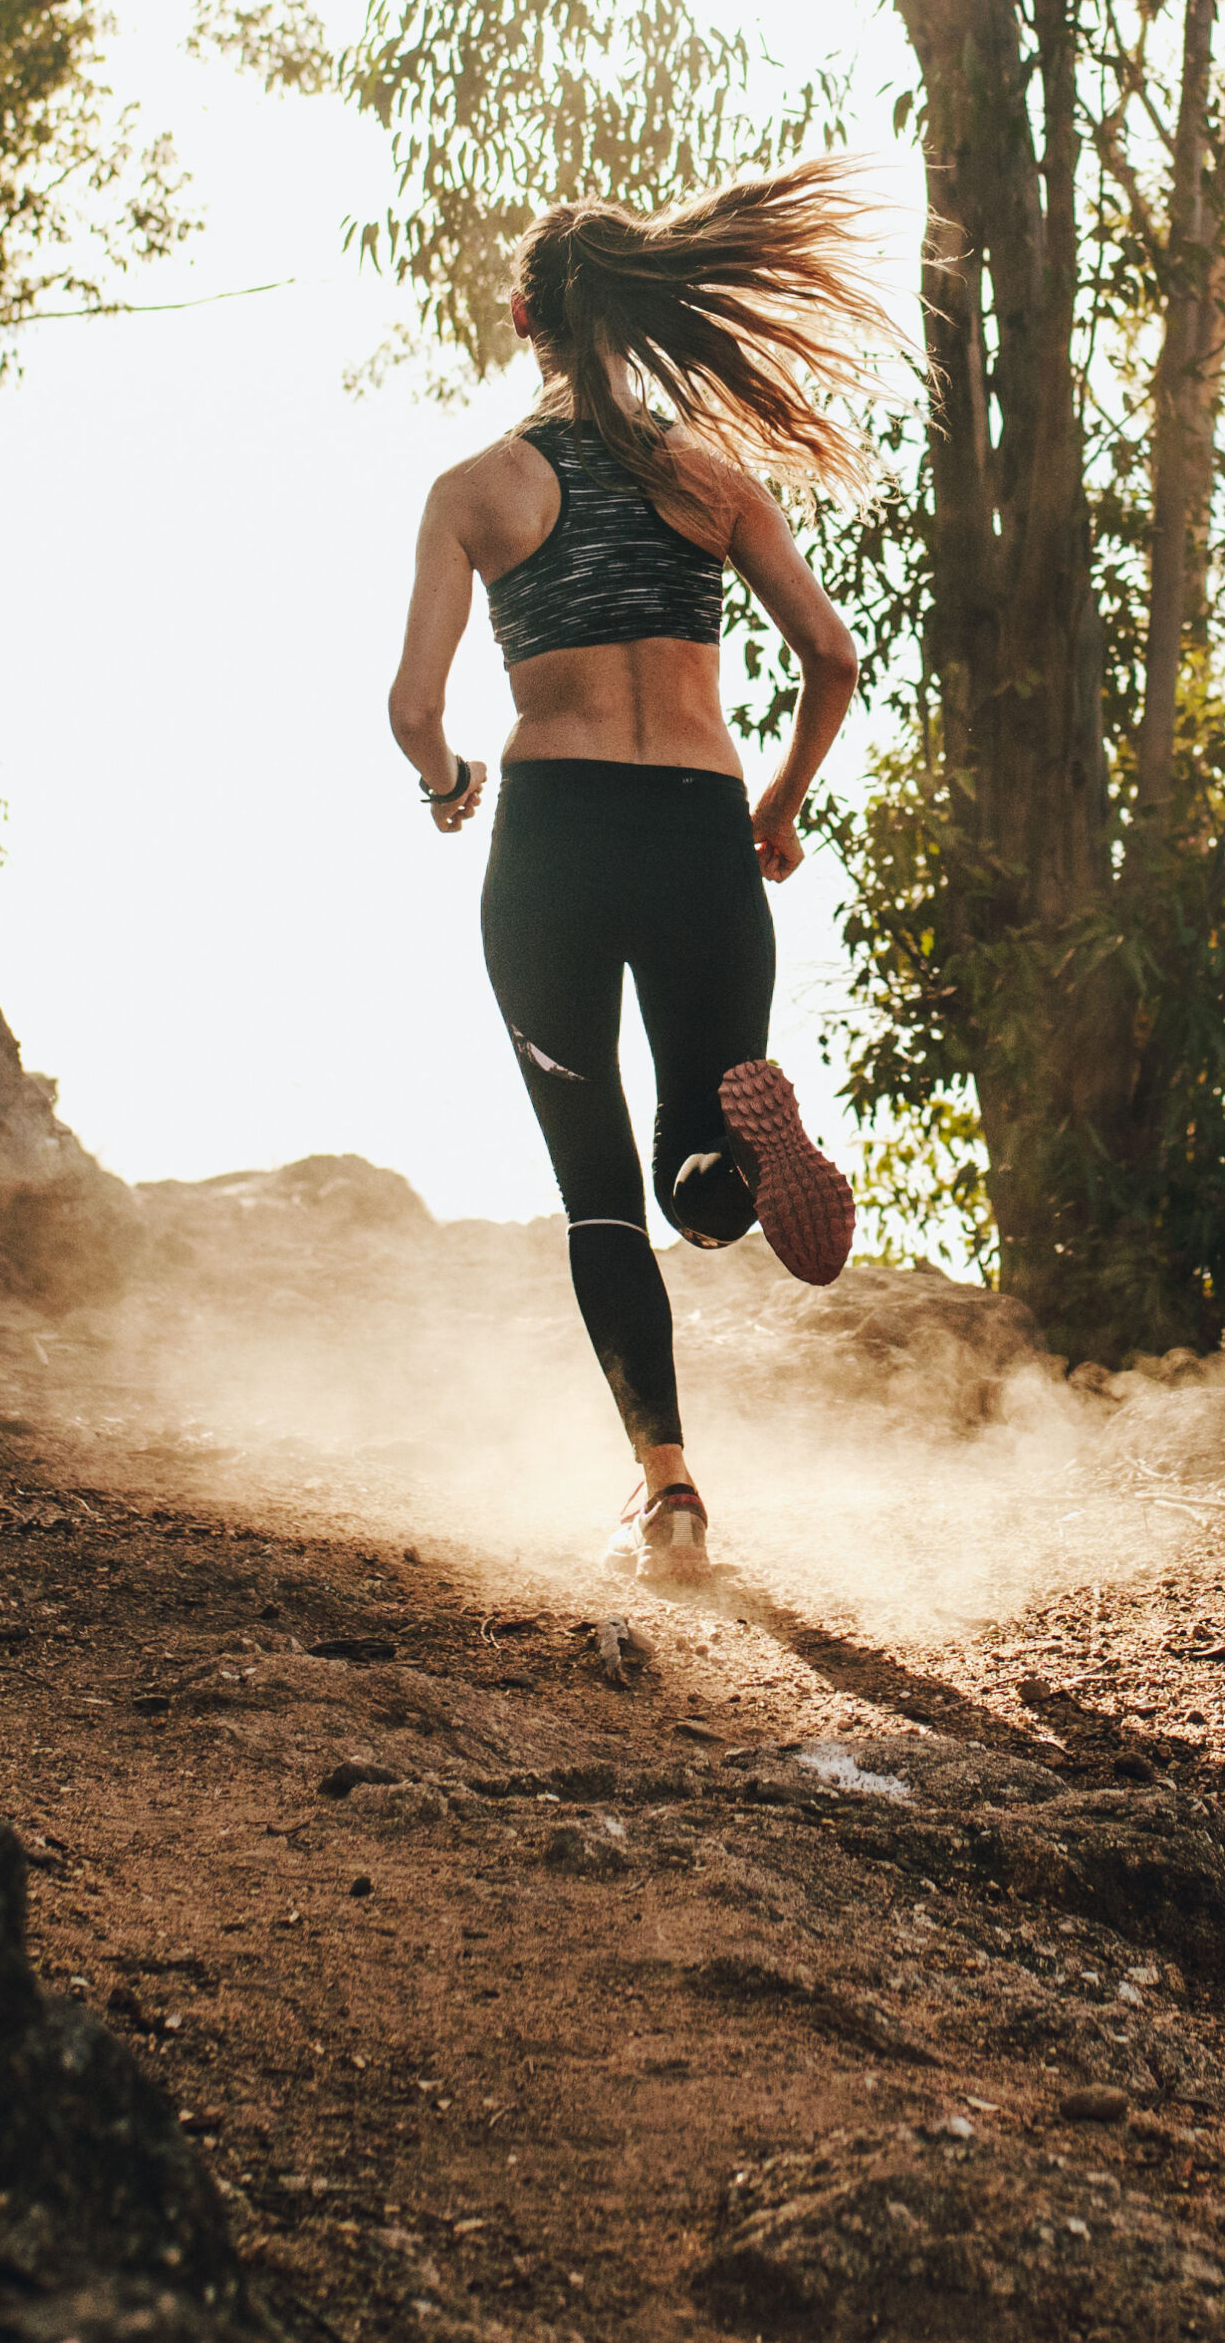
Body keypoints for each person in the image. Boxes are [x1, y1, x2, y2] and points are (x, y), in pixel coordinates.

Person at [385, 154, 906, 1581]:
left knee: (601, 1186)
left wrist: (447, 788)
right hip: (695, 820)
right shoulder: (709, 479)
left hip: (553, 832)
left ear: (524, 320)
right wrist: (782, 806)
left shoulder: (475, 491)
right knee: (696, 1178)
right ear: (636, 321)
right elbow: (833, 656)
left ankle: (667, 1491)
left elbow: (415, 708)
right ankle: (739, 1141)